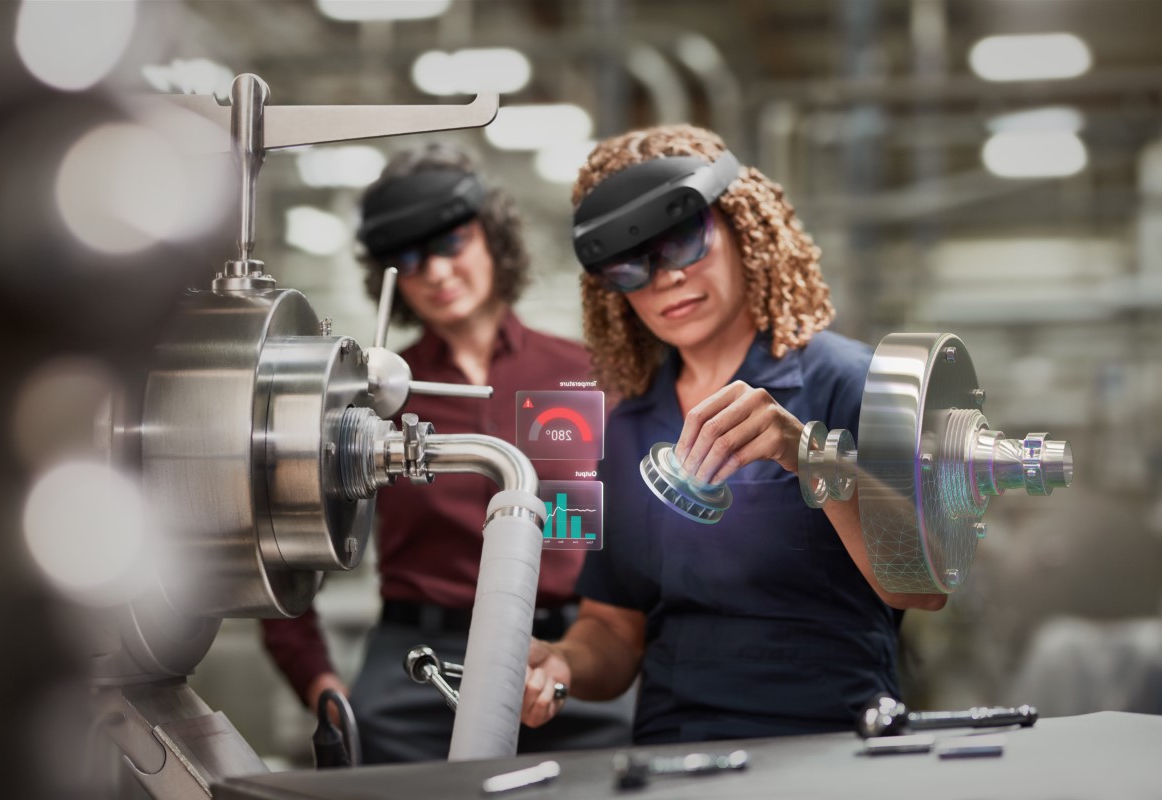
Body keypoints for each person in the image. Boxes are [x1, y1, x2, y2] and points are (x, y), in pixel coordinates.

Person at [521, 124, 947, 745]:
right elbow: (614, 628)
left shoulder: (850, 384)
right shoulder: (629, 424)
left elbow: (921, 588)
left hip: (833, 738)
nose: (662, 278)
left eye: (682, 241)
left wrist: (807, 457)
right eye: (629, 265)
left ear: (741, 228)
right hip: (675, 747)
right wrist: (563, 664)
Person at [262, 143, 632, 762]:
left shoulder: (588, 375)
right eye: (406, 258)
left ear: (493, 238)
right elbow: (280, 541)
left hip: (570, 663)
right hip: (419, 668)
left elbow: (641, 545)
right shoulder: (367, 397)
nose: (433, 271)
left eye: (450, 243)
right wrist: (320, 683)